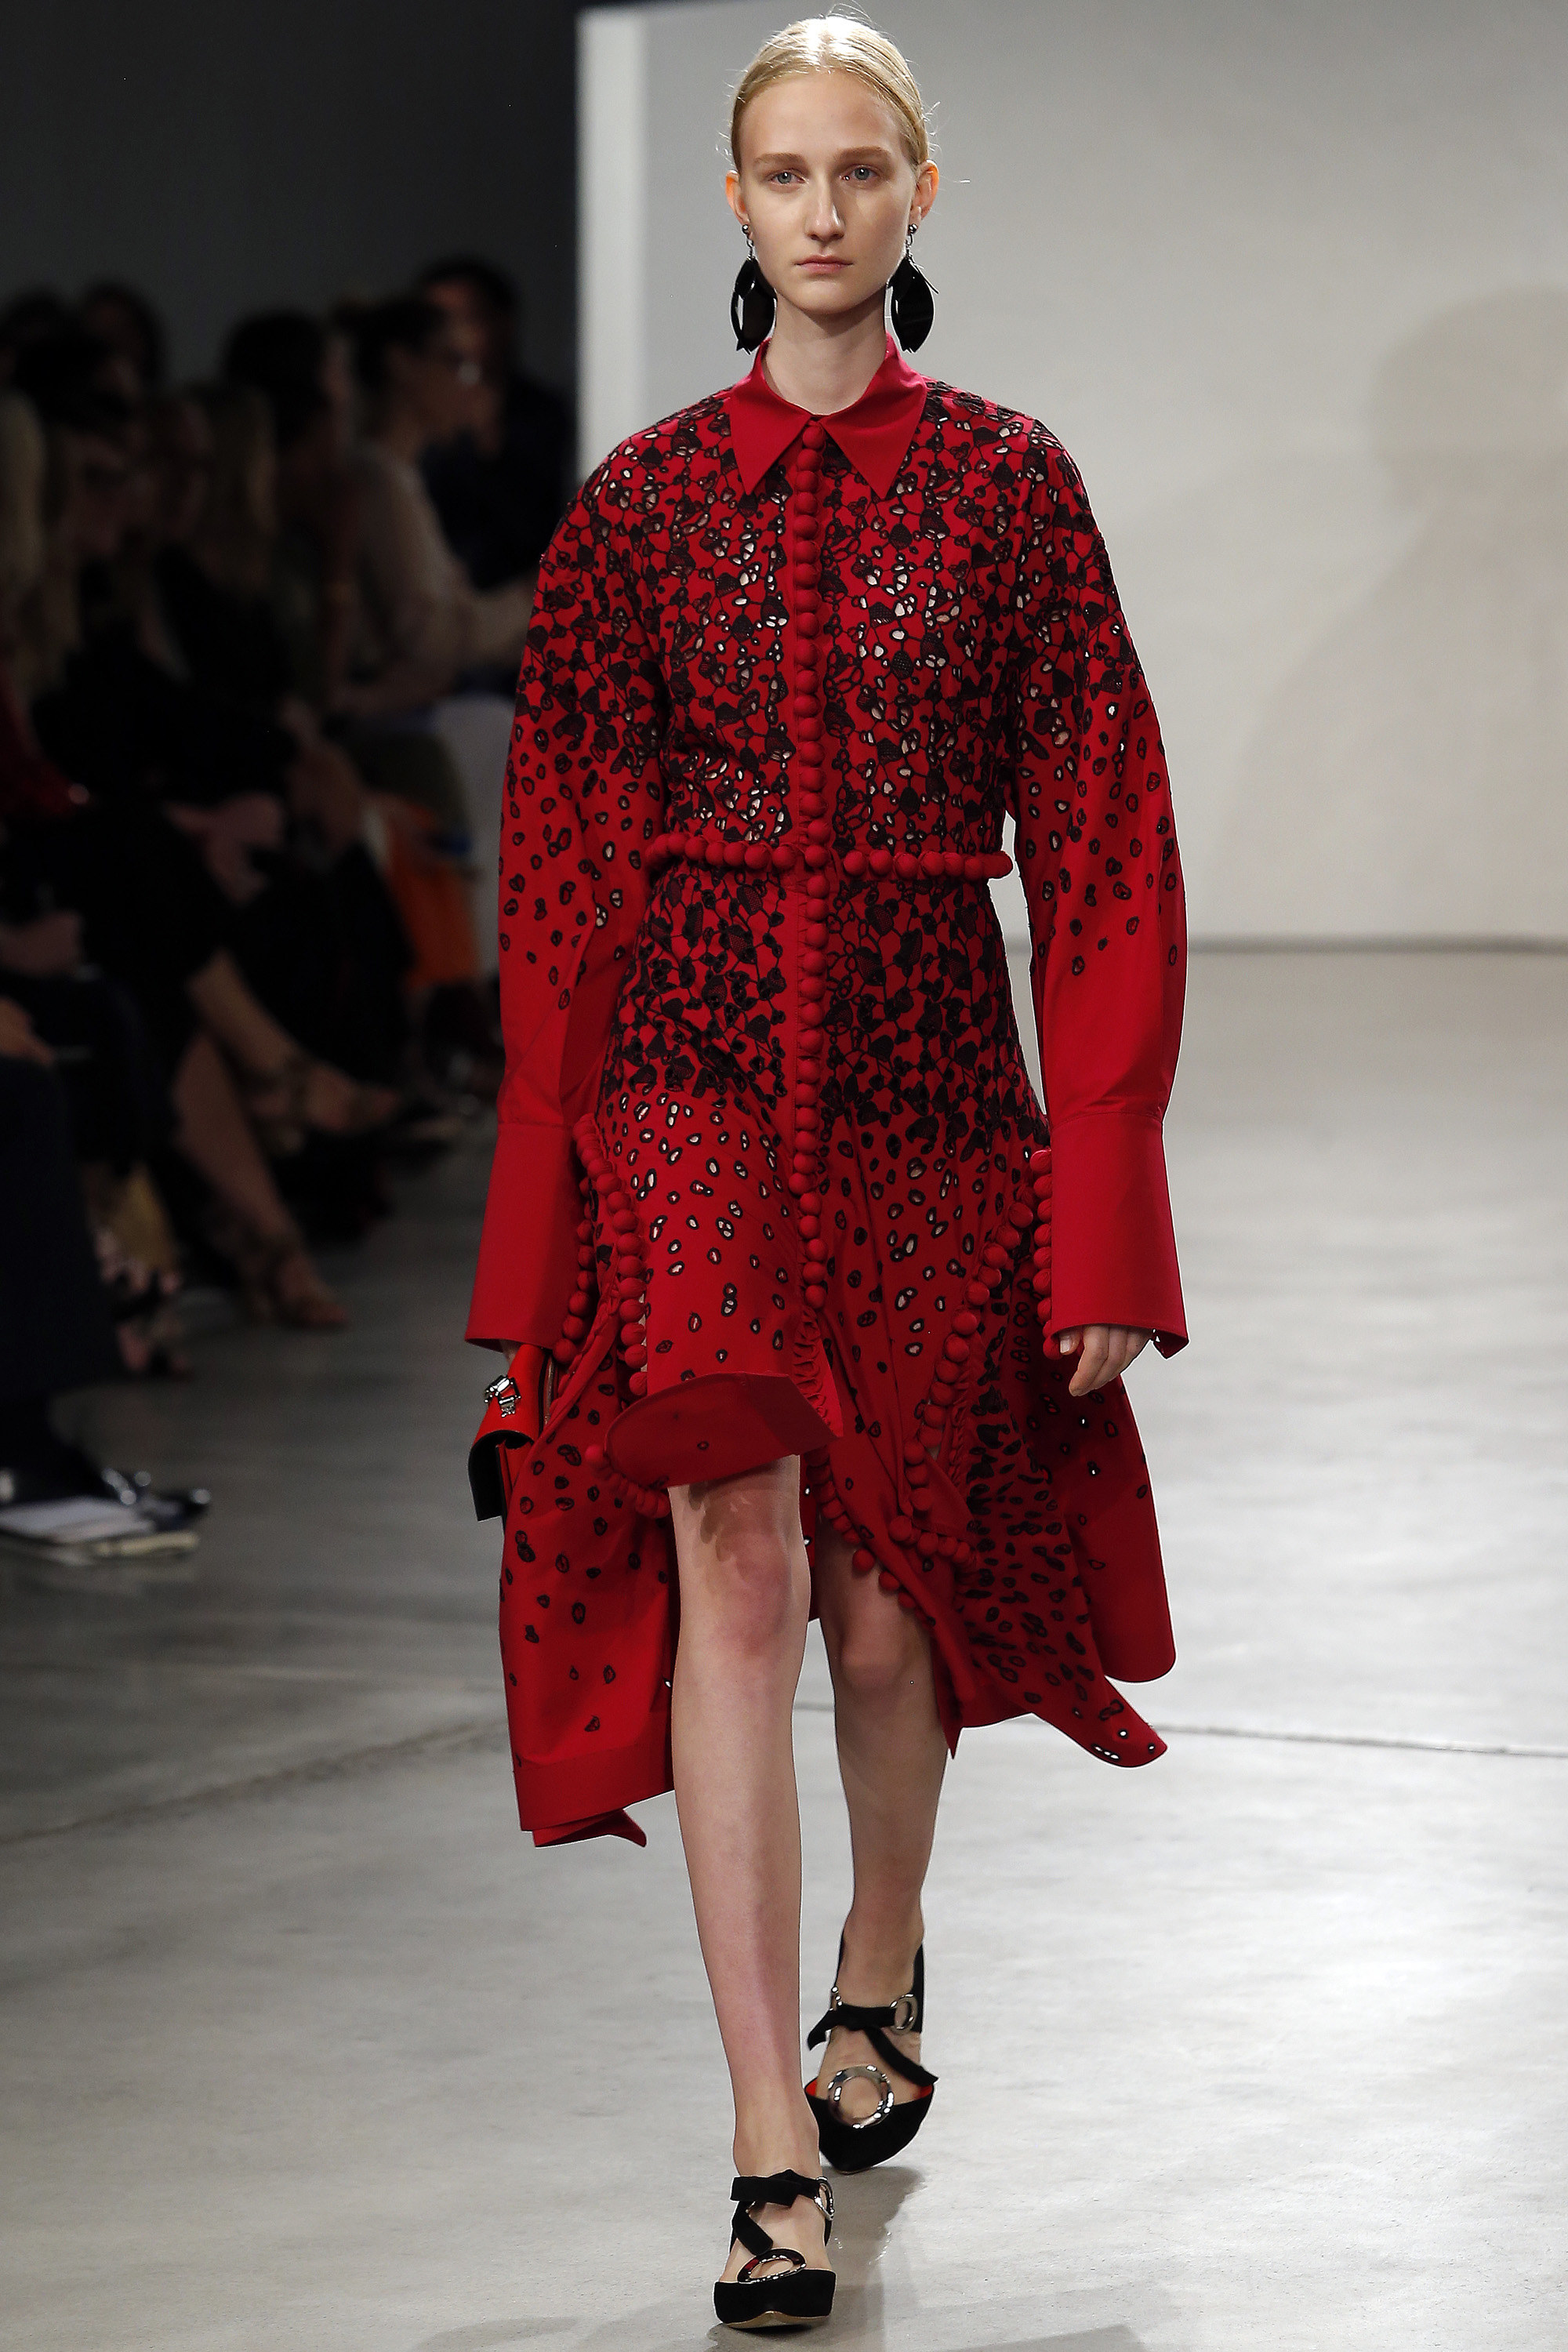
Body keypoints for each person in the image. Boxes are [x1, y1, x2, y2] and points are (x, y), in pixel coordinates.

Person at [466, 18, 1188, 2332]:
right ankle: (765, 2133)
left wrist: (1107, 1200)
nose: (820, 208)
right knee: (738, 1558)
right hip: (682, 1072)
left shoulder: (1009, 487)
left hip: (920, 1076)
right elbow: (556, 875)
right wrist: (526, 1255)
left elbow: (1104, 844)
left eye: (860, 168)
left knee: (889, 1603)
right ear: (736, 200)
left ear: (917, 194)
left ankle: (884, 1948)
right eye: (781, 171)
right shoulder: (638, 506)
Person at [416, 256, 572, 598]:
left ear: (503, 323)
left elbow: (538, 523)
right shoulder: (415, 419)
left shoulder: (545, 414)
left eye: (467, 319)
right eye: (437, 324)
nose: (454, 339)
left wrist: (487, 440)